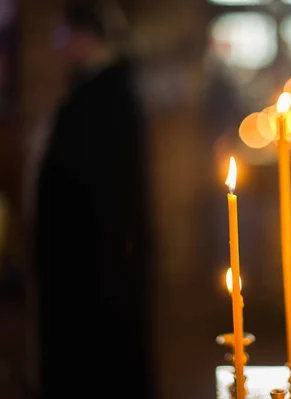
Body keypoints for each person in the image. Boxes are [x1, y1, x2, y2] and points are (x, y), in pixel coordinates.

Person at [34, 2, 154, 397]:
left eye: (64, 37)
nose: (59, 48)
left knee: (102, 360)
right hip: (86, 255)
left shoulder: (108, 96)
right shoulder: (93, 89)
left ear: (85, 36)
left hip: (95, 258)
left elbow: (107, 186)